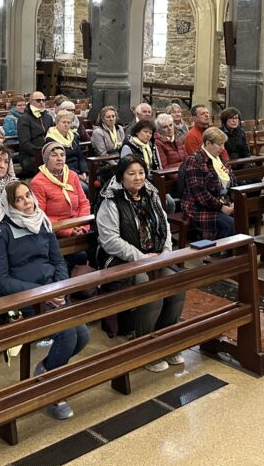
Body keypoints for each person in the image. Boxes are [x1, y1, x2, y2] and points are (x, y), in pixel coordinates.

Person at [0, 180, 88, 420]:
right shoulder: (0, 232)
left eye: (28, 196)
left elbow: (58, 261)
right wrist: (42, 293)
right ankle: (49, 389)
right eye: (18, 199)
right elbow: (0, 281)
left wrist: (60, 288)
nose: (26, 202)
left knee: (82, 335)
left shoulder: (42, 221)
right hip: (26, 300)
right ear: (10, 205)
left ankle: (46, 370)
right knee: (68, 335)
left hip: (53, 293)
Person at [96, 156, 185, 371]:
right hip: (122, 260)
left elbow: (164, 226)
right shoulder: (111, 200)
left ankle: (164, 342)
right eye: (131, 173)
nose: (138, 178)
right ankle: (145, 349)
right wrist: (141, 258)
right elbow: (110, 240)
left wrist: (165, 253)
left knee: (176, 286)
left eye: (141, 172)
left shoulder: (150, 194)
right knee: (151, 290)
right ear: (121, 177)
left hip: (154, 256)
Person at [179, 127, 234, 240]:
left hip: (220, 203)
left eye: (223, 144)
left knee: (243, 217)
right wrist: (221, 207)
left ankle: (235, 250)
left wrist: (232, 201)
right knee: (229, 224)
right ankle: (216, 250)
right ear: (208, 143)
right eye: (219, 144)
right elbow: (200, 194)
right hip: (198, 208)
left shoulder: (219, 160)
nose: (223, 148)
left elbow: (232, 181)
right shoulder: (195, 161)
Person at [31, 143, 91, 243]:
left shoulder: (72, 175)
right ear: (46, 160)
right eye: (54, 155)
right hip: (55, 230)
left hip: (79, 225)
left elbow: (84, 203)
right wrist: (68, 230)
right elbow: (40, 215)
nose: (59, 159)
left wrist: (83, 226)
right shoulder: (37, 182)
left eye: (62, 155)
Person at [17, 91, 54, 178]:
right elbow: (25, 143)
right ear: (31, 102)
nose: (41, 102)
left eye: (43, 100)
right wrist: (41, 153)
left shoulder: (48, 117)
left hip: (47, 153)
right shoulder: (24, 119)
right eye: (38, 100)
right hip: (30, 155)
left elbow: (52, 136)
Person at [44, 110, 86, 179]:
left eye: (69, 122)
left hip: (79, 171)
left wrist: (84, 171)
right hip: (63, 172)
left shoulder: (73, 136)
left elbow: (80, 156)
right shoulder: (51, 139)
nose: (66, 125)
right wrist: (77, 175)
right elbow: (57, 162)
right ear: (57, 123)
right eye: (63, 122)